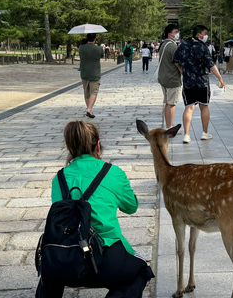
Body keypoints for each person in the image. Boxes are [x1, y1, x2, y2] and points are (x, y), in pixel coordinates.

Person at [36, 120, 154, 298]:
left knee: (48, 276)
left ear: (70, 149)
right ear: (98, 146)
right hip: (104, 259)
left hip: (66, 258)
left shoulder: (58, 178)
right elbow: (131, 207)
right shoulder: (113, 172)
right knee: (141, 271)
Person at [173, 25, 225, 143]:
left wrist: (182, 71)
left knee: (189, 107)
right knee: (204, 106)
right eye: (205, 33)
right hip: (202, 82)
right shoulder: (202, 47)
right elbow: (211, 65)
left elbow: (175, 60)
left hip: (188, 82)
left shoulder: (183, 45)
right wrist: (220, 78)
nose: (206, 35)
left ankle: (186, 135)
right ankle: (205, 133)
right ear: (198, 35)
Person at [158, 24, 182, 129]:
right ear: (169, 34)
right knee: (172, 104)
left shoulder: (164, 44)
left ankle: (168, 125)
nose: (177, 34)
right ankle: (169, 127)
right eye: (175, 32)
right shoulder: (172, 46)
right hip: (172, 78)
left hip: (164, 77)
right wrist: (183, 72)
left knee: (168, 103)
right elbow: (177, 62)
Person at [79, 33, 104, 119]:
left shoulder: (81, 47)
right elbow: (102, 55)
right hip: (95, 73)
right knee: (94, 92)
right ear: (94, 39)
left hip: (84, 72)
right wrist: (96, 46)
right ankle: (89, 109)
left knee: (86, 92)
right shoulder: (98, 48)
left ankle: (89, 109)